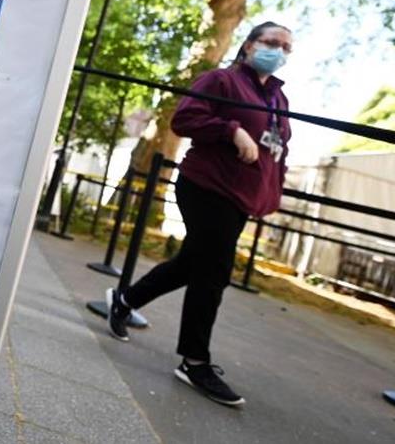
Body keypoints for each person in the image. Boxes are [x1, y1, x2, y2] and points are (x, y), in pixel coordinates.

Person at [107, 21, 293, 407]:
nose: (279, 51)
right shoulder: (221, 80)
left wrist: (270, 193)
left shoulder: (279, 99)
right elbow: (184, 120)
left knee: (191, 264)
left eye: (286, 47)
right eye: (271, 42)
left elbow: (277, 151)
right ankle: (194, 361)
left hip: (241, 196)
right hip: (206, 186)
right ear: (249, 45)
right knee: (214, 271)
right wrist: (231, 130)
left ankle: (124, 301)